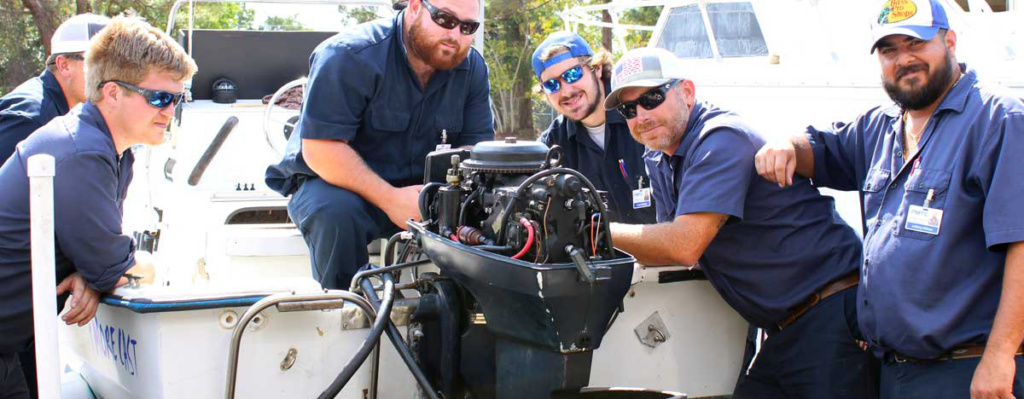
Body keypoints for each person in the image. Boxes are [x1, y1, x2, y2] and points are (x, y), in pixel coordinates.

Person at [754, 0, 1024, 397]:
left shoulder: (997, 118)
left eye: (915, 43)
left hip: (967, 369)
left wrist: (1000, 357)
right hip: (894, 372)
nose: (904, 59)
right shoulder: (880, 128)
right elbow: (820, 150)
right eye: (889, 50)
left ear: (950, 41)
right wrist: (784, 144)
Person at [604, 47, 876, 398]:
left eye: (652, 98)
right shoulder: (658, 156)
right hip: (784, 330)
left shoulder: (720, 138)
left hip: (830, 316)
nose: (641, 115)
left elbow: (684, 246)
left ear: (687, 91)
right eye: (629, 109)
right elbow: (666, 250)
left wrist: (596, 229)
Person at [0, 16, 193, 398]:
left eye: (178, 98)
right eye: (159, 97)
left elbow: (103, 263)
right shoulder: (82, 151)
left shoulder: (111, 151)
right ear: (112, 93)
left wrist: (92, 271)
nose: (169, 111)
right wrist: (129, 267)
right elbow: (115, 268)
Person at [265, 0, 494, 289]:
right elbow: (320, 149)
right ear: (414, 7)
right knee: (335, 213)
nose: (455, 35)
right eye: (445, 20)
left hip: (421, 195)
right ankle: (345, 310)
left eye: (468, 27)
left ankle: (460, 320)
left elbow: (478, 151)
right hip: (340, 187)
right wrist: (392, 199)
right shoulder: (348, 55)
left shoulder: (472, 68)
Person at [532, 31, 655, 224]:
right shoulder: (553, 144)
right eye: (552, 85)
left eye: (572, 74)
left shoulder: (643, 113)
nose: (566, 91)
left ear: (596, 68)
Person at [0, 13, 111, 162]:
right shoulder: (31, 119)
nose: (112, 74)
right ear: (64, 66)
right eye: (100, 64)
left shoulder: (67, 112)